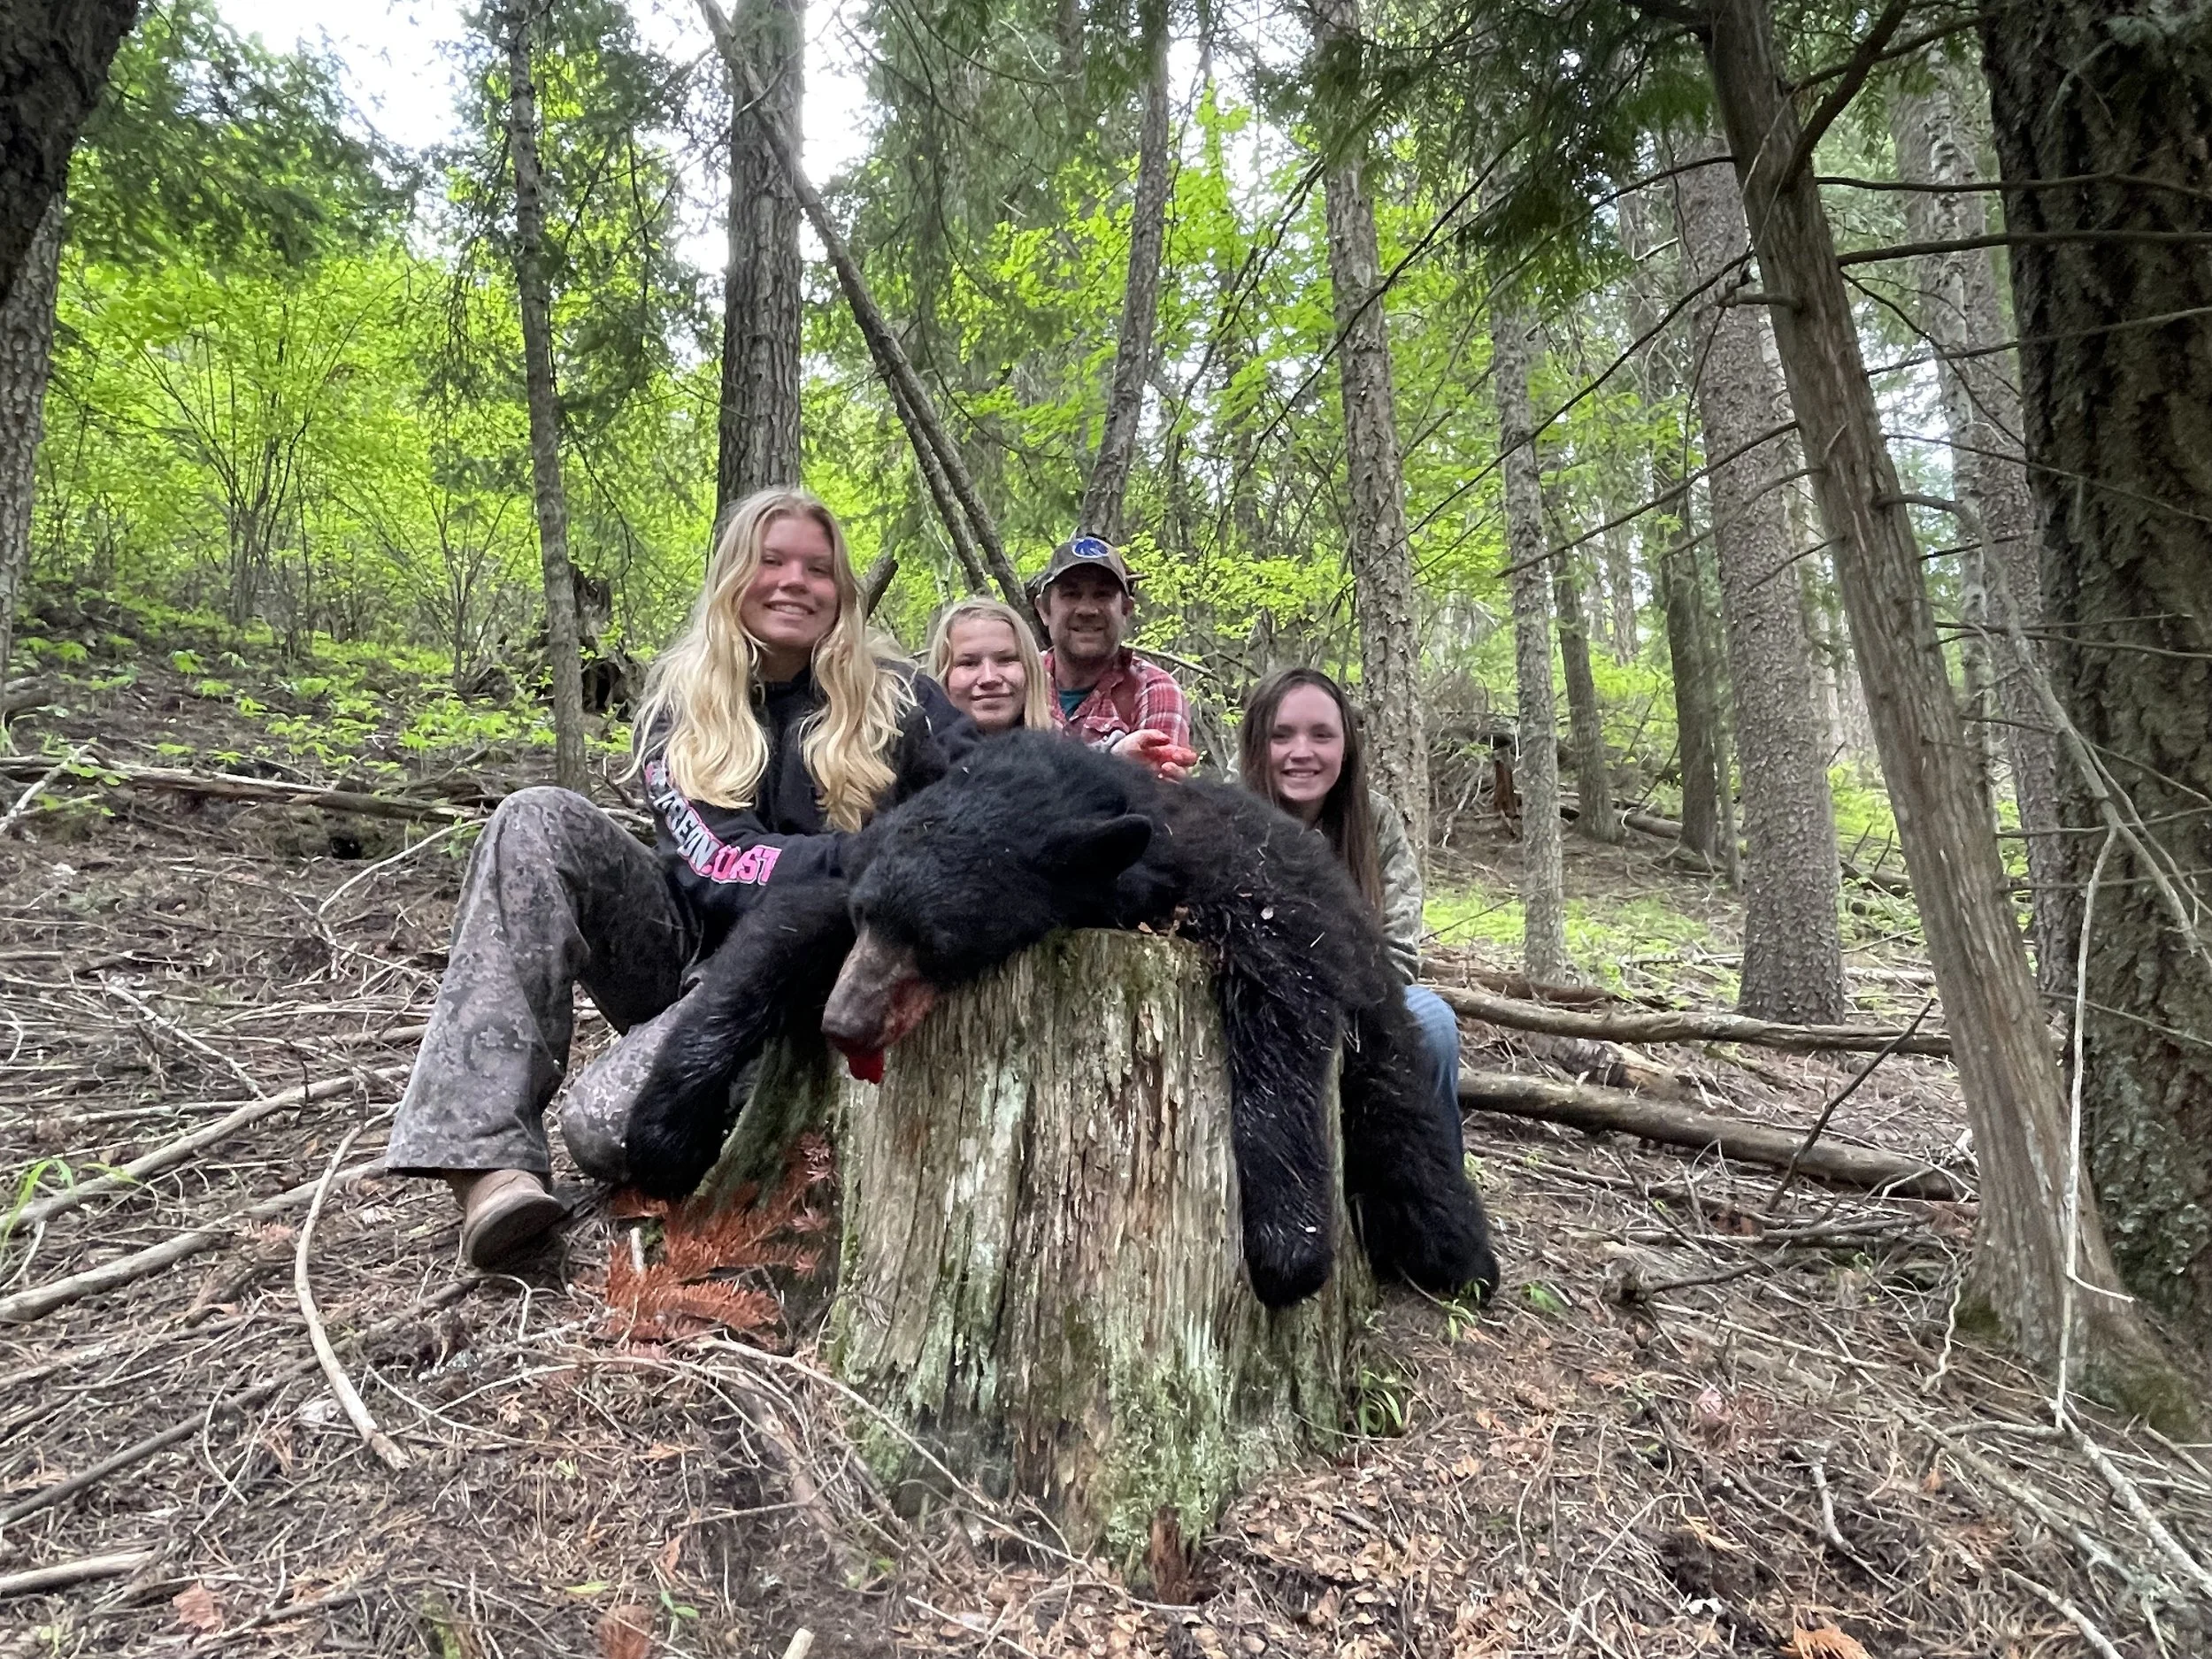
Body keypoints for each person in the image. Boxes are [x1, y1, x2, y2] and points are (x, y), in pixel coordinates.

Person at [386, 488, 977, 1269]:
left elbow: (986, 793)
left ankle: (786, 1111)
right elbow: (715, 861)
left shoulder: (905, 698)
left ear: (843, 593)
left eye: (818, 568)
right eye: (771, 561)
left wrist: (1104, 779)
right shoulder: (680, 703)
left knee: (605, 1125)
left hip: (816, 974)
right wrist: (868, 852)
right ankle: (486, 1164)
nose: (794, 581)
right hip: (692, 951)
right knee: (535, 816)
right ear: (734, 576)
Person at [1238, 666, 1462, 1128]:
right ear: (1258, 744)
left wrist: (1333, 1004)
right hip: (1249, 1011)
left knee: (1433, 1023)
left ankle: (1433, 1192)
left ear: (1346, 747)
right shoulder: (1223, 816)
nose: (1303, 752)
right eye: (1282, 736)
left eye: (1322, 735)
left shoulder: (1375, 822)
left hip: (1361, 1010)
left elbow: (1399, 957)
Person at [1031, 535, 1197, 780]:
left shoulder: (1154, 689)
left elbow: (1157, 802)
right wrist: (1113, 765)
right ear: (1044, 610)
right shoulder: (1019, 681)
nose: (1087, 610)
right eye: (1071, 594)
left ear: (1126, 610)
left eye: (1102, 595)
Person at [926, 595, 1052, 734]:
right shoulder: (915, 754)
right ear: (943, 674)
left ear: (1031, 669)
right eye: (969, 663)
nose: (989, 678)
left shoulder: (1065, 751)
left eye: (1006, 660)